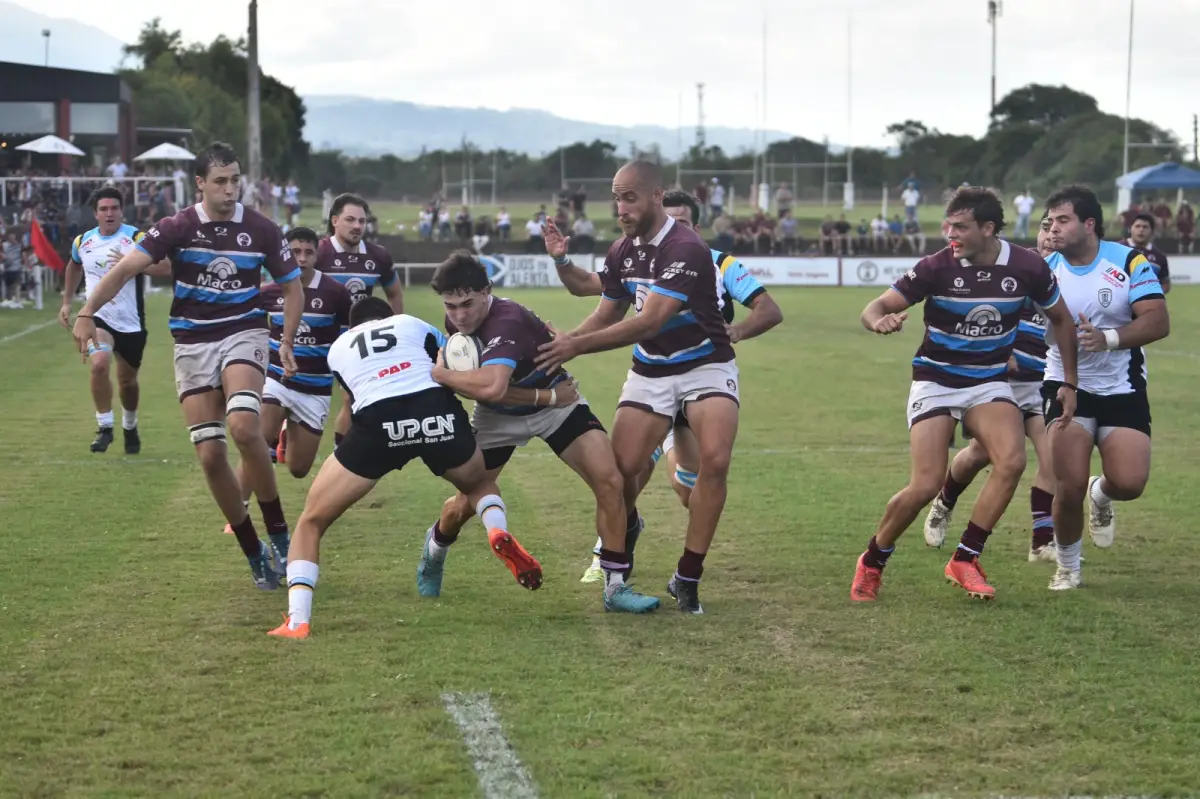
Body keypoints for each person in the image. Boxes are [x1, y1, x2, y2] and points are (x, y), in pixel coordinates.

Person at [72, 142, 304, 590]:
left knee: (243, 426)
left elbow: (291, 288)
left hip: (244, 332)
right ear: (200, 184)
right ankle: (253, 551)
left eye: (235, 179)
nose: (230, 189)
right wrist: (86, 312)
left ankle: (278, 533)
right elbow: (122, 271)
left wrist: (287, 339)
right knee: (210, 454)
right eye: (220, 181)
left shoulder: (261, 228)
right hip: (193, 342)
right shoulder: (176, 226)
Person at [850, 186, 1079, 603]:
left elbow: (1061, 320)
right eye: (948, 224)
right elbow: (875, 307)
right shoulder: (935, 267)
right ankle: (874, 558)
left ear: (988, 228)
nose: (949, 233)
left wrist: (1069, 382)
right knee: (924, 486)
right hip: (936, 380)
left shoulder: (1027, 267)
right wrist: (878, 322)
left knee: (1011, 461)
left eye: (960, 226)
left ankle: (966, 558)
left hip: (986, 382)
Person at [545, 190, 784, 582]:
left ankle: (680, 558)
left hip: (702, 375)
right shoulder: (637, 253)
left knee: (689, 486)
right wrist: (561, 259)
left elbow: (769, 309)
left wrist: (737, 330)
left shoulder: (719, 262)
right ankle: (613, 546)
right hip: (652, 374)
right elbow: (592, 286)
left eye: (684, 222)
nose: (675, 229)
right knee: (623, 474)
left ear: (697, 228)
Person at [268, 297, 541, 638]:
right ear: (390, 317)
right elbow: (455, 360)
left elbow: (351, 402)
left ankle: (297, 621)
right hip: (434, 410)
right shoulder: (411, 323)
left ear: (354, 327)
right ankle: (496, 530)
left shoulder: (338, 347)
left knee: (311, 521)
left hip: (379, 422)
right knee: (478, 484)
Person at [535, 161, 739, 615]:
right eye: (616, 197)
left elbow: (649, 320)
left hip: (705, 366)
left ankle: (688, 575)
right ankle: (619, 566)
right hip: (650, 370)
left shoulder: (686, 246)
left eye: (629, 197)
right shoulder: (622, 250)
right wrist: (568, 334)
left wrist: (574, 346)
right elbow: (606, 309)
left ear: (655, 197)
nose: (621, 207)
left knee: (716, 461)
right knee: (620, 473)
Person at [419, 251, 659, 612]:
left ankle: (615, 587)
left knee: (611, 481)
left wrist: (444, 376)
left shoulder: (507, 320)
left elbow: (491, 385)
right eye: (451, 306)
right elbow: (485, 391)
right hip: (502, 416)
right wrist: (537, 394)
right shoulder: (458, 323)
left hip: (558, 407)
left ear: (487, 291)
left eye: (467, 303)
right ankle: (434, 550)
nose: (459, 315)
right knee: (465, 504)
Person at [1041, 186, 1170, 591]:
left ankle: (1103, 493)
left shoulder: (1128, 261)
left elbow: (1158, 321)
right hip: (1065, 386)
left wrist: (1109, 339)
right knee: (1069, 484)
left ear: (1089, 224)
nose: (1054, 229)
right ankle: (1068, 566)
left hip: (1122, 386)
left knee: (1129, 483)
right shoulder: (1046, 268)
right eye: (1050, 221)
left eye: (1063, 220)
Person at [923, 212, 1059, 562]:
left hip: (1043, 384)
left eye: (1055, 229)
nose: (1048, 235)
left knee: (1052, 458)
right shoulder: (1020, 269)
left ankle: (1042, 539)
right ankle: (945, 500)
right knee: (980, 455)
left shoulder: (1063, 279)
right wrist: (1004, 353)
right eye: (1044, 227)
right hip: (1003, 384)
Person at [226, 227, 352, 535]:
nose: (302, 258)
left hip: (316, 389)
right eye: (296, 252)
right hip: (276, 380)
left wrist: (348, 382)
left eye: (308, 252)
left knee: (297, 468)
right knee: (255, 440)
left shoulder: (336, 293)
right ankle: (237, 514)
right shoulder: (268, 292)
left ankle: (284, 436)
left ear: (317, 254)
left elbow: (346, 341)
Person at [59, 187, 168, 454]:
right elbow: (73, 265)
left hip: (130, 322)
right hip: (98, 317)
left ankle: (130, 426)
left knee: (127, 382)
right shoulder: (83, 241)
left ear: (122, 211)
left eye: (114, 208)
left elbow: (165, 267)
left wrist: (133, 264)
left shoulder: (136, 238)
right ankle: (105, 427)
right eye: (104, 209)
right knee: (98, 364)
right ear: (95, 213)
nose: (110, 213)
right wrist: (66, 302)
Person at [316, 192, 405, 449]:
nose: (357, 226)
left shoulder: (378, 256)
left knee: (352, 398)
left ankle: (341, 453)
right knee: (308, 396)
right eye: (350, 220)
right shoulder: (319, 253)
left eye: (362, 221)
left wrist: (396, 328)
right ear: (335, 220)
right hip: (319, 339)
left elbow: (394, 292)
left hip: (359, 341)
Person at [1121, 212, 1170, 294]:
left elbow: (1165, 284)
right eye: (1137, 226)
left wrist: (1153, 294)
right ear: (1130, 228)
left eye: (1145, 227)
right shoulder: (1117, 249)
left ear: (1152, 231)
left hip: (1145, 305)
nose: (1141, 230)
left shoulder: (1160, 257)